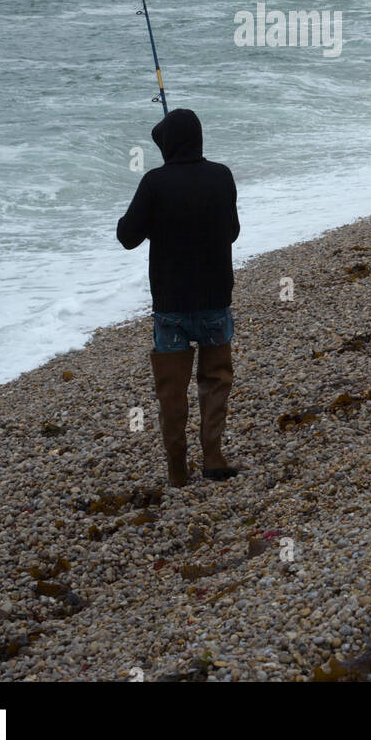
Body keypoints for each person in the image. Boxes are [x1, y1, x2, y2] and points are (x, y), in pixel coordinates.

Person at [116, 108, 240, 487]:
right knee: (215, 379)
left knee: (172, 389)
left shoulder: (155, 183)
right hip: (215, 298)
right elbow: (232, 231)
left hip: (170, 305)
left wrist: (158, 219)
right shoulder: (221, 176)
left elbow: (127, 236)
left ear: (166, 144)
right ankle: (214, 456)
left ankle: (177, 469)